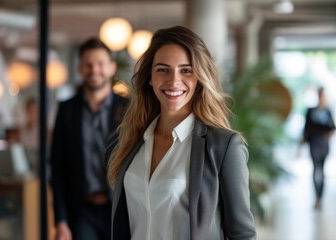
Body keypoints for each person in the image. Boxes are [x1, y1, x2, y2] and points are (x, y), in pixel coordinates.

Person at [107, 26, 256, 240]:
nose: (174, 80)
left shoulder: (224, 146)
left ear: (199, 79)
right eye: (162, 69)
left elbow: (242, 234)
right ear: (150, 77)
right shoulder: (135, 139)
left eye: (186, 70)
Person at [50, 37, 128, 240]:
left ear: (111, 67)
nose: (95, 70)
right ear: (80, 68)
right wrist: (61, 221)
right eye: (88, 64)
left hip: (120, 210)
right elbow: (58, 168)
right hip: (82, 210)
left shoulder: (129, 109)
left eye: (100, 64)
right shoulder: (67, 109)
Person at [300, 87, 336, 209]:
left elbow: (334, 127)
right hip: (314, 144)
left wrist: (328, 136)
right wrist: (301, 142)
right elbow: (306, 129)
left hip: (324, 145)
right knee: (316, 171)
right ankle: (317, 198)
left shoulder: (328, 111)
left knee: (322, 172)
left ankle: (320, 197)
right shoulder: (310, 111)